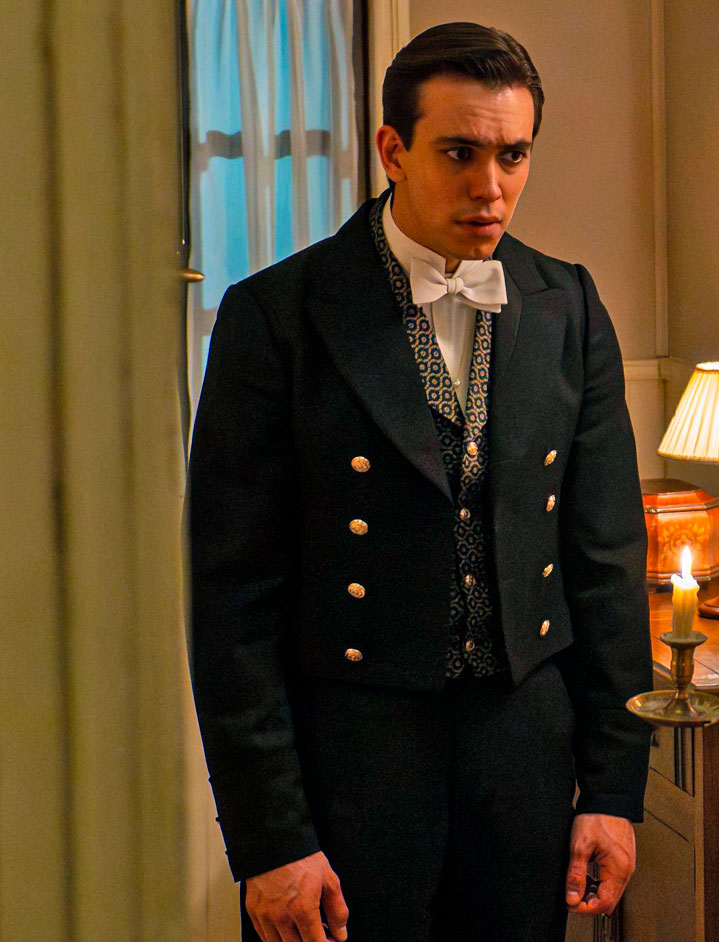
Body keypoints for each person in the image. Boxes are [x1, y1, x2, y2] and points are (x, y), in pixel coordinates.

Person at [187, 22, 651, 942]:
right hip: (348, 763)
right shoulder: (276, 316)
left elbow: (605, 565)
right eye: (459, 153)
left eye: (513, 155)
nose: (491, 186)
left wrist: (611, 789)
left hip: (521, 759)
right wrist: (272, 840)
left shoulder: (567, 304)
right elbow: (232, 602)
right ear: (393, 151)